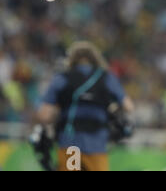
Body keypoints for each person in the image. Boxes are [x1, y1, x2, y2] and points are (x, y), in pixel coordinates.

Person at [35, 41, 134, 171]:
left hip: (70, 143)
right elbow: (128, 106)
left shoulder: (63, 78)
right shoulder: (106, 78)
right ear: (95, 59)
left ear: (72, 59)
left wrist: (58, 111)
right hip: (97, 143)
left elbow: (44, 115)